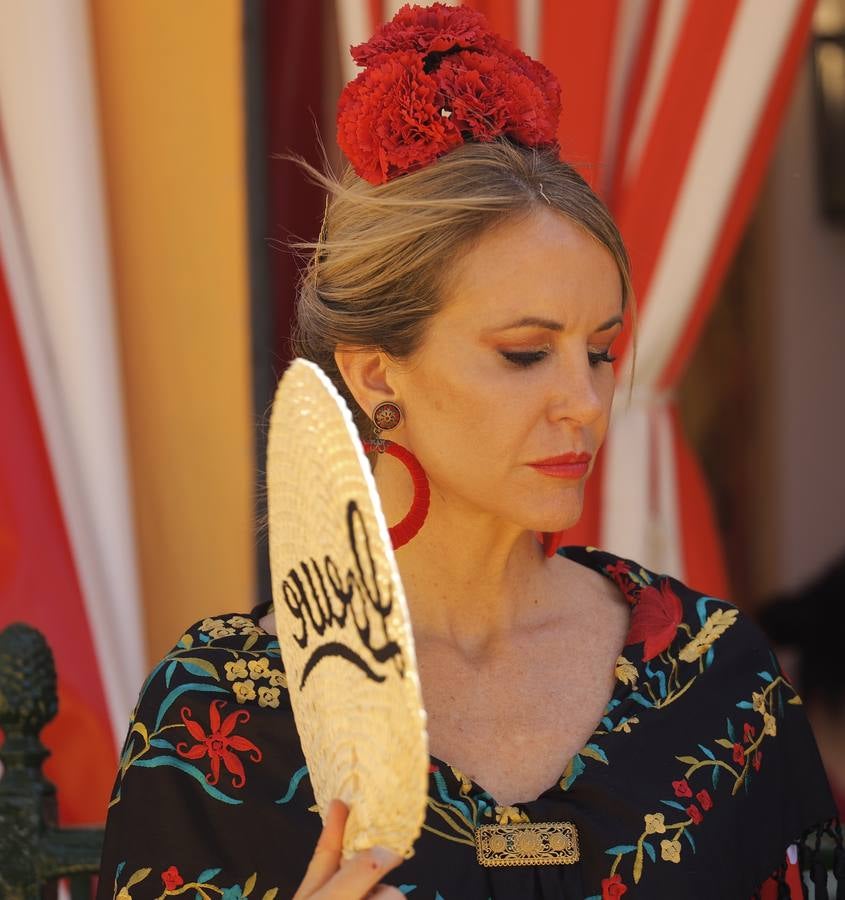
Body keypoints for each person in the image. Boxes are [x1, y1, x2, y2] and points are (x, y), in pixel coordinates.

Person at [97, 5, 839, 899]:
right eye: (524, 354)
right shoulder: (217, 715)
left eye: (600, 351)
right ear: (376, 375)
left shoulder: (717, 679)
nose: (585, 401)